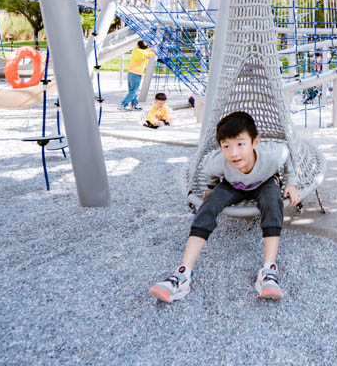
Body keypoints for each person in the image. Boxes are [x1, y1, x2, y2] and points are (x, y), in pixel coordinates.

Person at [150, 111, 301, 303]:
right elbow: (209, 173)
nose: (234, 153)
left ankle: (269, 270)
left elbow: (288, 155)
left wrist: (292, 183)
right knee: (209, 203)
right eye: (226, 146)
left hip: (265, 181)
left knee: (273, 202)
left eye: (240, 144)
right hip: (232, 184)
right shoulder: (218, 162)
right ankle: (182, 274)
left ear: (255, 142)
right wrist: (211, 188)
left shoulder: (272, 154)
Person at [120, 40, 153, 111]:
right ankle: (123, 104)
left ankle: (134, 105)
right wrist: (155, 46)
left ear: (138, 46)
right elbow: (152, 53)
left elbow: (147, 50)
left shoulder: (135, 50)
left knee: (132, 91)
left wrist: (150, 47)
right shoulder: (144, 53)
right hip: (136, 74)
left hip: (131, 73)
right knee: (134, 91)